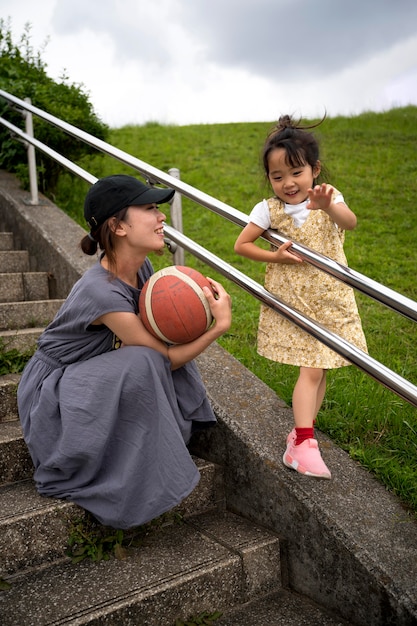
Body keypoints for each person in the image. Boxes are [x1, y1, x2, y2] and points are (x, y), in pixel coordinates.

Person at [17, 174, 232, 529]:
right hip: (52, 392)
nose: (162, 216)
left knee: (156, 344)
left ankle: (158, 439)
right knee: (147, 357)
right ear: (118, 226)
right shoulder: (101, 293)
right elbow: (164, 360)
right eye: (149, 208)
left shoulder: (142, 269)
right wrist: (218, 327)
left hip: (89, 373)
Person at [234, 115, 367, 480]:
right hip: (294, 300)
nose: (288, 183)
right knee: (311, 368)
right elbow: (242, 245)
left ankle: (302, 433)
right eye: (278, 177)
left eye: (296, 173)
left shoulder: (328, 197)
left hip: (331, 300)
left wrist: (328, 206)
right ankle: (303, 443)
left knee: (320, 367)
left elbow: (350, 222)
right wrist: (275, 255)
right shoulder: (268, 210)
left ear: (315, 169)